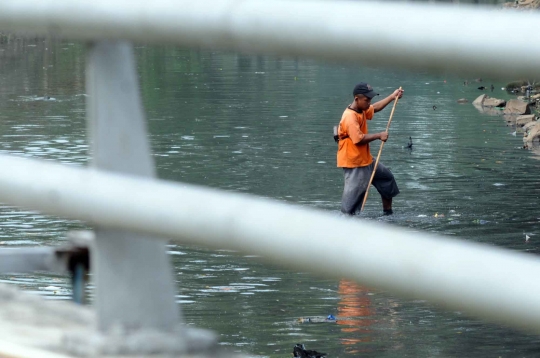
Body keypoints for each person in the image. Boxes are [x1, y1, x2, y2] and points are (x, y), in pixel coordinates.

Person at [336, 82, 403, 215]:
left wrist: (392, 96)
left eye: (370, 100)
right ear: (357, 99)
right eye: (367, 100)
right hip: (354, 163)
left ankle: (388, 214)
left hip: (366, 159)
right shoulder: (349, 116)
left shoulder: (360, 109)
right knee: (351, 204)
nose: (369, 103)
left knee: (387, 178)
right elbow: (358, 139)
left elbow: (375, 108)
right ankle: (345, 224)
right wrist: (379, 135)